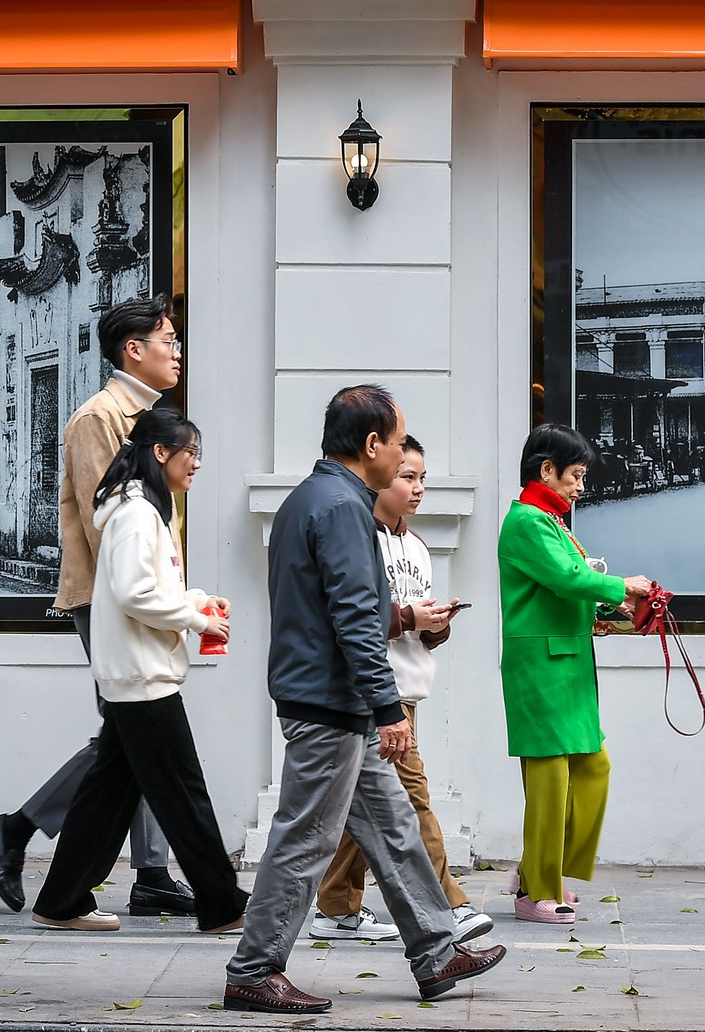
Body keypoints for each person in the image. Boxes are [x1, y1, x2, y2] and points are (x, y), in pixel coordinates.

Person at [223, 386, 506, 1015]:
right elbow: (353, 618)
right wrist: (387, 708)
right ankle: (254, 970)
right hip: (331, 703)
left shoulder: (314, 499)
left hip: (330, 697)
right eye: (401, 442)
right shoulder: (343, 508)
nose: (405, 453)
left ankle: (437, 951)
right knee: (304, 841)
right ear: (372, 445)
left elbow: (354, 611)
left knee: (394, 826)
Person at [0, 295, 195, 921]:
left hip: (140, 597)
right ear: (134, 350)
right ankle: (18, 829)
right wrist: (158, 601)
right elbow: (114, 524)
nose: (177, 351)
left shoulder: (152, 415)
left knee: (135, 736)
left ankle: (148, 870)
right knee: (135, 733)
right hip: (111, 597)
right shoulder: (99, 418)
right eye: (168, 340)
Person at [28, 407, 249, 934]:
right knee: (182, 792)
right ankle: (222, 903)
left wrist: (196, 599)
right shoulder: (136, 514)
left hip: (136, 672)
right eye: (191, 452)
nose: (196, 463)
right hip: (142, 676)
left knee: (107, 796)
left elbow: (146, 587)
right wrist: (196, 620)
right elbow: (132, 593)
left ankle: (62, 899)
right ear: (160, 453)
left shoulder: (146, 509)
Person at [307, 436, 489, 945]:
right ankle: (450, 903)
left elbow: (418, 625)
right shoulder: (355, 534)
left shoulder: (415, 545)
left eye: (423, 479)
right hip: (373, 690)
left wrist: (435, 624)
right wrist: (408, 617)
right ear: (380, 472)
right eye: (408, 476)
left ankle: (335, 907)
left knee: (364, 805)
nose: (418, 488)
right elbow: (349, 616)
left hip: (406, 688)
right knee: (412, 798)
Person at [497, 423, 651, 925]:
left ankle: (538, 872)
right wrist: (620, 586)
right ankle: (538, 888)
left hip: (565, 661)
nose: (581, 487)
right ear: (547, 470)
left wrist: (610, 613)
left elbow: (565, 591)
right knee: (550, 778)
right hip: (541, 665)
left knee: (591, 767)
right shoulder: (527, 520)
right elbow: (568, 579)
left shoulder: (550, 521)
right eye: (576, 476)